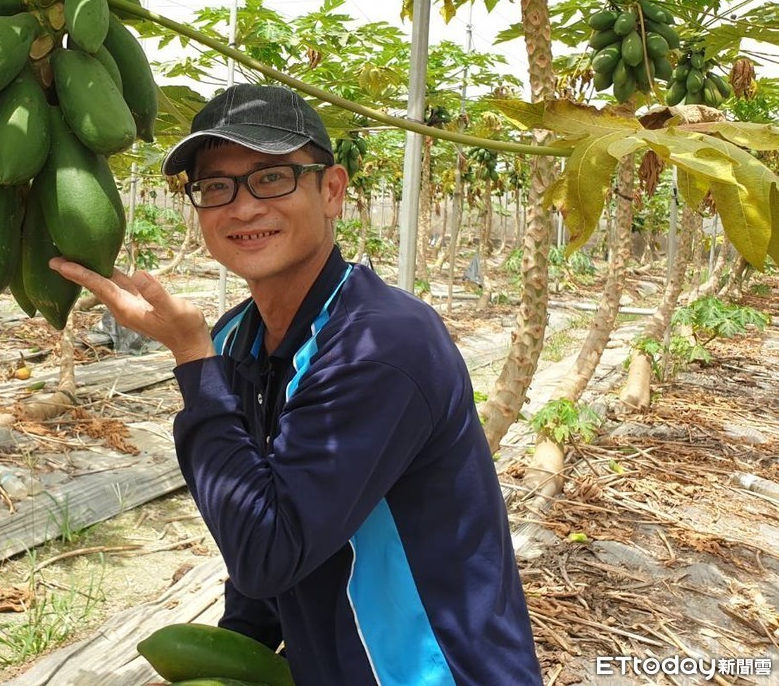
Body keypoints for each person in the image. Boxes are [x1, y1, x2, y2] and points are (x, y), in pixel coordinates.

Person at [50, 83, 543, 686]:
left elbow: (268, 550)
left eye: (271, 178)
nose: (242, 208)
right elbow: (257, 509)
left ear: (331, 190)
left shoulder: (382, 346)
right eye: (216, 187)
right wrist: (239, 645)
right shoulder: (238, 337)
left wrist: (193, 360)